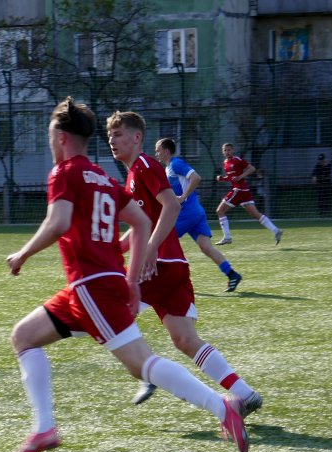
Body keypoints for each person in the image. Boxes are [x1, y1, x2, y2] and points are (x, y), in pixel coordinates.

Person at [4, 97, 249, 452]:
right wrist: (132, 282)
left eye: (50, 135)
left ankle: (222, 406)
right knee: (24, 336)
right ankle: (44, 429)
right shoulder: (103, 178)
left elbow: (58, 222)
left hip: (92, 287)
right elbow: (141, 222)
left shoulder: (65, 173)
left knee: (141, 364)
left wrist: (23, 254)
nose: (50, 142)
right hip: (89, 287)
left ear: (61, 137)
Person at [107, 113, 262, 412]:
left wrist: (150, 248)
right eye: (110, 135)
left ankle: (147, 369)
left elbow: (171, 206)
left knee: (110, 314)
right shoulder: (134, 174)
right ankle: (245, 394)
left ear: (137, 137)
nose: (112, 140)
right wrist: (116, 248)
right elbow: (142, 224)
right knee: (185, 339)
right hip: (173, 264)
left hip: (160, 264)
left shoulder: (144, 166)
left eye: (118, 134)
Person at [153, 138, 242, 293]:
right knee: (206, 247)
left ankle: (169, 279)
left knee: (162, 240)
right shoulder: (169, 168)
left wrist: (183, 197)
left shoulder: (175, 164)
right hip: (196, 212)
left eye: (158, 150)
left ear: (166, 151)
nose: (156, 153)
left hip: (187, 212)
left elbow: (196, 177)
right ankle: (232, 274)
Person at [214, 143, 283, 245]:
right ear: (222, 151)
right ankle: (276, 230)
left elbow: (252, 168)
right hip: (243, 191)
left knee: (220, 211)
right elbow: (232, 178)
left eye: (229, 150)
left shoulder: (237, 160)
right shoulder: (225, 163)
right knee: (255, 214)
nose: (227, 152)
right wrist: (222, 179)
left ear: (233, 150)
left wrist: (241, 176)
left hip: (239, 190)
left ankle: (227, 237)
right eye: (225, 150)